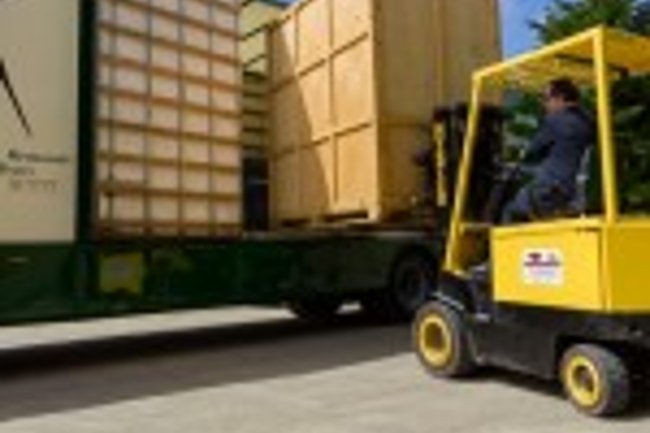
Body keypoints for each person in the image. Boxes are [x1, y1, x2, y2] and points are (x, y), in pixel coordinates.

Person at [502, 78, 596, 223]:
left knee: (509, 209)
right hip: (576, 192)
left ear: (559, 98)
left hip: (550, 192)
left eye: (546, 99)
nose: (544, 105)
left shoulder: (555, 120)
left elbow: (530, 152)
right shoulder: (589, 122)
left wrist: (520, 156)